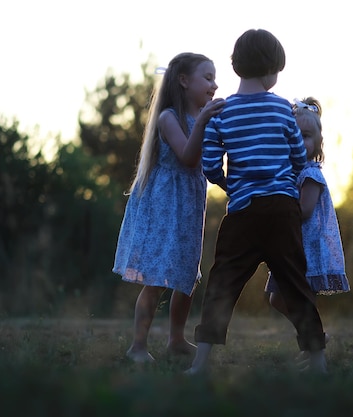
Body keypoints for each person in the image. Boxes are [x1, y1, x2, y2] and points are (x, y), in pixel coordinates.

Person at [185, 29, 327, 375]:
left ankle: (200, 364)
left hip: (243, 213)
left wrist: (231, 185)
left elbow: (209, 165)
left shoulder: (221, 112)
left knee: (223, 283)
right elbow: (298, 158)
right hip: (281, 210)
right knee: (295, 283)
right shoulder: (282, 108)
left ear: (237, 67)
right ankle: (319, 363)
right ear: (269, 70)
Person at [112, 52, 225, 363]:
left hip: (189, 206)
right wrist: (204, 120)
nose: (214, 85)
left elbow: (209, 159)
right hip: (165, 207)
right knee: (158, 276)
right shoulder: (169, 118)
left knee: (187, 275)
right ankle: (137, 347)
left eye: (215, 78)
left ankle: (176, 339)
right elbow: (188, 157)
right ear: (184, 80)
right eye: (208, 77)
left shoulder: (204, 118)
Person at [265, 98, 350, 365]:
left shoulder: (310, 175)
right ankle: (313, 337)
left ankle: (315, 351)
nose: (300, 141)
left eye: (307, 136)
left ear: (317, 144)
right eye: (294, 135)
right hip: (289, 248)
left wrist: (277, 209)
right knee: (276, 299)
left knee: (301, 302)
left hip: (307, 252)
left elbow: (305, 211)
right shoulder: (288, 173)